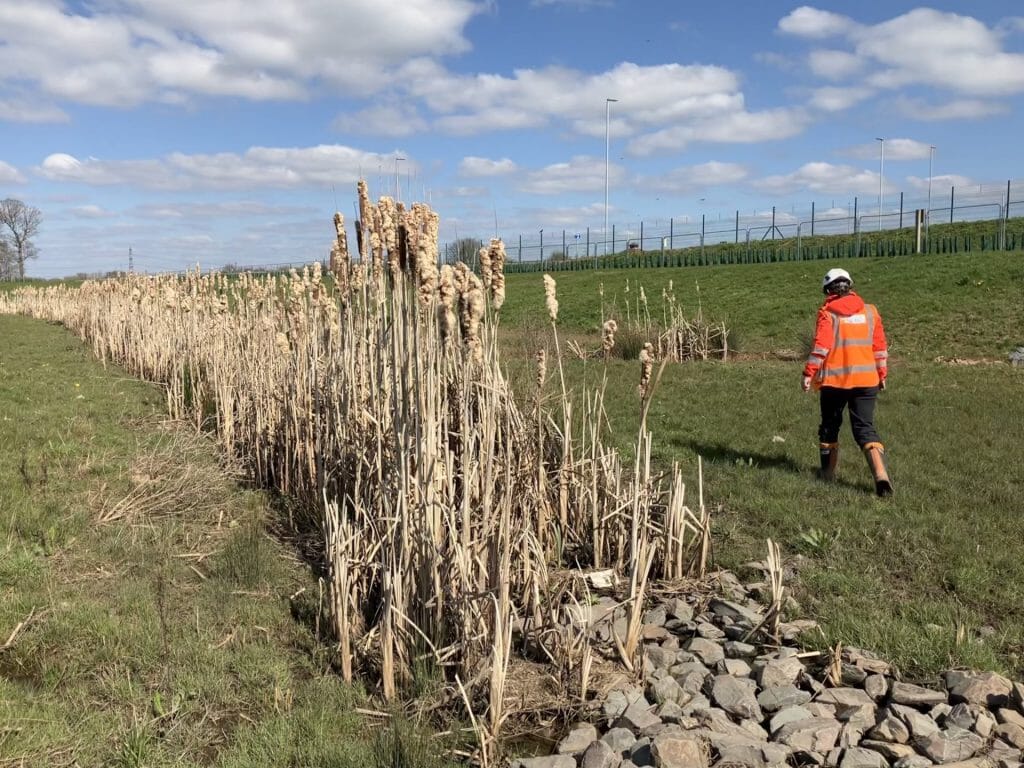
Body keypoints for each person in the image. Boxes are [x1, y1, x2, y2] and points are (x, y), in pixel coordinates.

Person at [802, 268, 892, 497]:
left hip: (835, 382)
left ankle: (828, 475)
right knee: (865, 429)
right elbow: (880, 348)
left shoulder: (828, 313)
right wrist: (882, 375)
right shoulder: (871, 312)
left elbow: (821, 347)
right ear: (850, 287)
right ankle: (881, 476)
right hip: (867, 380)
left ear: (828, 291)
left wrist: (808, 373)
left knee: (830, 427)